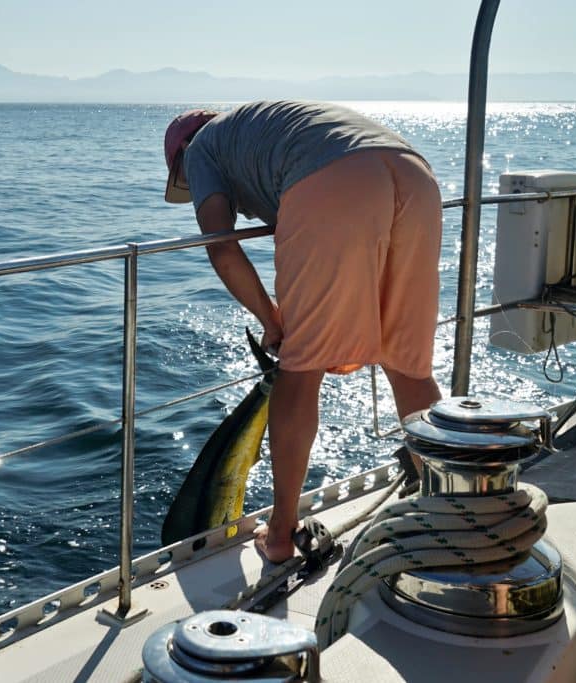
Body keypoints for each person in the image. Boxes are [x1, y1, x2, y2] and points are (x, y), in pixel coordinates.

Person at [163, 101, 443, 563]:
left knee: (300, 368)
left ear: (182, 156)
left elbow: (222, 250)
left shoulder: (201, 149)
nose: (193, 188)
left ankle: (279, 536)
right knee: (408, 365)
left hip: (334, 182)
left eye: (186, 184)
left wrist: (272, 321)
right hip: (414, 174)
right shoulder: (260, 127)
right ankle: (443, 499)